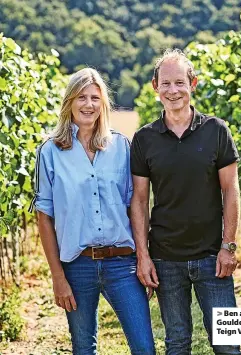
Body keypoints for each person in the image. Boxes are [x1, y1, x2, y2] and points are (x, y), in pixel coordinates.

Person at [29, 68, 156, 355]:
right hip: (77, 266)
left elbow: (135, 205)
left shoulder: (121, 146)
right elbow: (44, 218)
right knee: (84, 348)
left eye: (95, 98)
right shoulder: (49, 152)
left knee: (144, 347)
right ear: (69, 102)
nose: (88, 105)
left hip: (122, 264)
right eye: (81, 98)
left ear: (103, 104)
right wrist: (57, 277)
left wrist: (143, 257)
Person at [130, 49, 241, 355]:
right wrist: (143, 256)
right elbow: (139, 202)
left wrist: (228, 246)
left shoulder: (217, 131)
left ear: (193, 83)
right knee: (177, 343)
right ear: (156, 87)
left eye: (180, 82)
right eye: (165, 83)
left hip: (212, 258)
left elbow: (231, 191)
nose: (173, 90)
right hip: (166, 259)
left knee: (228, 344)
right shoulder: (144, 139)